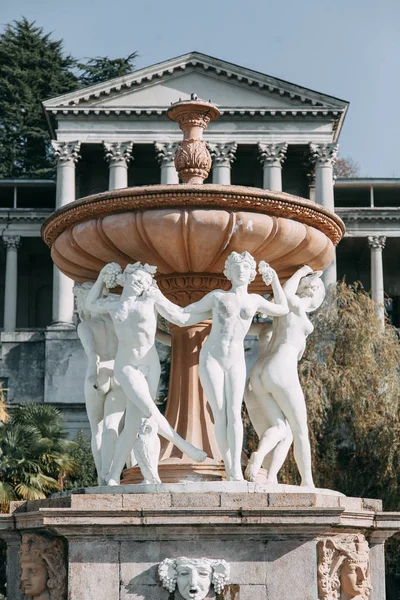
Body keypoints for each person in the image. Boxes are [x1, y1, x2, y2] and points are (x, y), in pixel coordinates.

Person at [151, 251, 289, 481]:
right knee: (220, 414)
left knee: (235, 413)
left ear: (251, 273)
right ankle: (229, 465)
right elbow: (184, 317)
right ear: (228, 272)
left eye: (245, 268)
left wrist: (274, 279)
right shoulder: (218, 297)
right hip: (212, 358)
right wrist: (158, 297)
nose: (241, 272)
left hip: (235, 359)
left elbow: (282, 309)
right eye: (236, 268)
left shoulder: (254, 300)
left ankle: (235, 468)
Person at [85, 262, 207, 485]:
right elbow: (90, 304)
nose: (140, 283)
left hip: (150, 364)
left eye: (144, 280)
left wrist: (211, 311)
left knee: (133, 424)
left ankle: (113, 476)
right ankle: (183, 444)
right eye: (136, 278)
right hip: (127, 366)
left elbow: (180, 317)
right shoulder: (114, 304)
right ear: (126, 279)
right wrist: (102, 277)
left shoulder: (151, 298)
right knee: (149, 410)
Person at [244, 265, 325, 487]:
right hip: (281, 367)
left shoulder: (283, 312)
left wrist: (278, 281)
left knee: (281, 429)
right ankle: (307, 481)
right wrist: (301, 271)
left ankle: (263, 464)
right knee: (300, 429)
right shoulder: (297, 305)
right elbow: (288, 296)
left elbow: (283, 297)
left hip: (260, 370)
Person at [75, 282, 127, 486]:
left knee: (96, 428)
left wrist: (93, 376)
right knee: (113, 426)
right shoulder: (119, 322)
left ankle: (101, 477)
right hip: (119, 373)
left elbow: (92, 355)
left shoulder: (85, 326)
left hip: (99, 375)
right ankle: (114, 473)